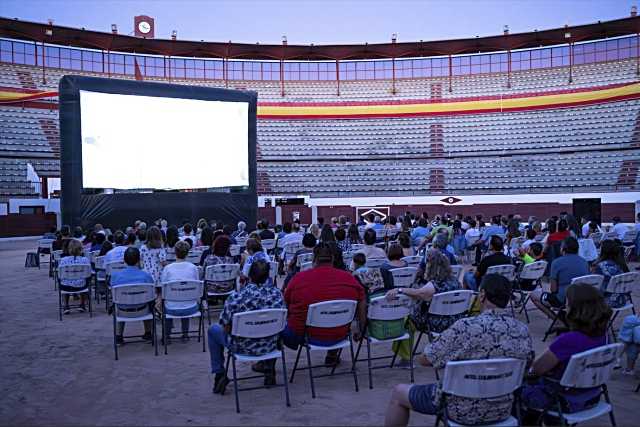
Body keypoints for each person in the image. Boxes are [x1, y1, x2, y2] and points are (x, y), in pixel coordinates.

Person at [384, 274, 533, 427]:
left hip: (459, 408)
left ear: (482, 295)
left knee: (398, 393)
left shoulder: (465, 327)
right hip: (503, 407)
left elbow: (426, 359)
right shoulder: (522, 330)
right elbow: (527, 366)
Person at [520, 284, 612, 422]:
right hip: (592, 396)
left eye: (567, 303)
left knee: (514, 388)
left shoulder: (569, 340)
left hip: (563, 400)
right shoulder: (604, 336)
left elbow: (536, 369)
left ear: (576, 309)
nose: (564, 307)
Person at [207, 260, 284, 393]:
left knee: (213, 330)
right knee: (272, 328)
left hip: (241, 346)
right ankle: (269, 369)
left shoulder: (236, 297)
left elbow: (224, 325)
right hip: (270, 345)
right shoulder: (277, 295)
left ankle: (219, 373)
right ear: (268, 276)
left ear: (249, 276)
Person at [283, 243, 367, 366]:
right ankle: (332, 355)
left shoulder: (298, 279)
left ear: (314, 258)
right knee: (334, 314)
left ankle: (268, 367)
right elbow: (362, 300)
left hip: (306, 334)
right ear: (332, 258)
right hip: (339, 333)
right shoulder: (349, 279)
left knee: (273, 324)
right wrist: (362, 329)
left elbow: (286, 302)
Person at [386, 249, 461, 369]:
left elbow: (418, 293)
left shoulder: (433, 285)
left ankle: (405, 358)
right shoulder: (455, 281)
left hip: (435, 323)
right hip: (454, 321)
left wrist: (400, 290)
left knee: (407, 319)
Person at [531, 237, 589, 321]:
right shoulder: (584, 262)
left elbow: (553, 289)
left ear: (563, 249)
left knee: (534, 295)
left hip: (563, 300)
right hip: (581, 297)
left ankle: (557, 321)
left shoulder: (557, 262)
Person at [111, 247, 154, 344]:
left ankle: (119, 336)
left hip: (122, 311)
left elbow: (113, 296)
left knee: (120, 300)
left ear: (124, 260)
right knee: (148, 300)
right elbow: (151, 294)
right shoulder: (146, 276)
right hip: (142, 310)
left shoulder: (115, 276)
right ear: (139, 260)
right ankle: (148, 333)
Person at [160, 240, 200, 340]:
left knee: (168, 301)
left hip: (171, 308)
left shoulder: (167, 269)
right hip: (191, 307)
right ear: (187, 252)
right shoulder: (193, 268)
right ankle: (185, 334)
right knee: (185, 296)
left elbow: (163, 290)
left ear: (175, 252)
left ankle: (167, 336)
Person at [592, 239, 629, 308]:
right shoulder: (621, 264)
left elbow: (597, 287)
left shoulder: (600, 266)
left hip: (607, 301)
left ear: (603, 251)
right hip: (622, 299)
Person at [57, 239, 91, 314]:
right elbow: (89, 274)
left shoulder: (63, 260)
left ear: (69, 249)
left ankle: (66, 305)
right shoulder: (85, 260)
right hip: (81, 286)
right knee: (84, 279)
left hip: (66, 286)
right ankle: (82, 304)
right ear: (81, 249)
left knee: (65, 280)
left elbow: (59, 275)